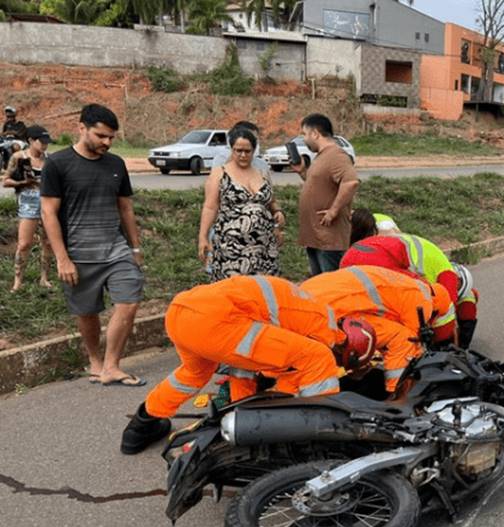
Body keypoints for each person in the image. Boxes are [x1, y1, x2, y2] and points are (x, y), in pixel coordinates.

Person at [119, 275, 378, 454]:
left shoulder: (311, 310)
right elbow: (305, 370)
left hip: (182, 312)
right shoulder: (326, 332)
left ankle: (141, 426)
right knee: (316, 358)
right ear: (349, 350)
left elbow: (254, 363)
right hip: (216, 321)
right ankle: (319, 438)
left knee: (192, 374)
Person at [40, 104, 146, 387]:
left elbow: (125, 208)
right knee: (87, 313)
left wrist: (135, 248)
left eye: (111, 137)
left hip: (116, 250)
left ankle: (112, 365)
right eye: (101, 136)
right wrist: (62, 259)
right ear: (81, 128)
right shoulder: (58, 164)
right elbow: (48, 212)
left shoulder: (116, 164)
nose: (107, 143)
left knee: (130, 301)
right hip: (78, 254)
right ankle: (96, 362)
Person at [299, 265, 456, 393]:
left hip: (309, 295)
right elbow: (410, 341)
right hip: (328, 307)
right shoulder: (424, 303)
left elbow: (381, 326)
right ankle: (397, 394)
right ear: (436, 311)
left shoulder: (407, 284)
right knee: (402, 339)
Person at [342, 209, 479, 347]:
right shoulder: (444, 276)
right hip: (380, 267)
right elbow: (445, 311)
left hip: (354, 255)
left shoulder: (424, 249)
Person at [198, 126, 283, 281]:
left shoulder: (263, 174)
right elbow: (210, 207)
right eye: (238, 151)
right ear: (232, 150)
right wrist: (203, 236)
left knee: (262, 290)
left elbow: (272, 202)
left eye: (247, 151)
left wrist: (278, 214)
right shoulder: (220, 173)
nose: (243, 155)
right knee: (234, 292)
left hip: (263, 248)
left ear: (254, 150)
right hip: (231, 249)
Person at [293, 113, 359, 275]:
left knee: (330, 284)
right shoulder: (322, 156)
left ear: (315, 133)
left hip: (328, 238)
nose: (304, 139)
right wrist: (302, 172)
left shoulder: (336, 155)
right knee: (317, 284)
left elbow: (351, 182)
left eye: (304, 134)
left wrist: (333, 211)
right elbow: (318, 185)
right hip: (315, 236)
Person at [3, 125, 53, 291]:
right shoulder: (18, 157)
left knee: (47, 242)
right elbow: (5, 181)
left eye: (47, 142)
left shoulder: (49, 159)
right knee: (24, 243)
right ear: (31, 140)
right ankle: (18, 281)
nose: (45, 145)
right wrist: (23, 183)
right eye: (42, 142)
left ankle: (44, 278)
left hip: (47, 202)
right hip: (28, 202)